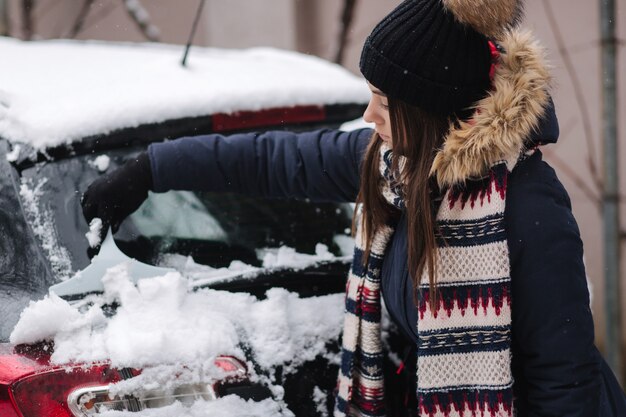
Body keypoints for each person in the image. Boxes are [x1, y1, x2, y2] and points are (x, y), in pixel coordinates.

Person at [82, 0, 626, 416]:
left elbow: (564, 379)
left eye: (384, 104)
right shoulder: (395, 164)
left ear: (429, 111)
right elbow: (274, 159)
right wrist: (151, 169)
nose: (368, 116)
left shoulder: (527, 206)